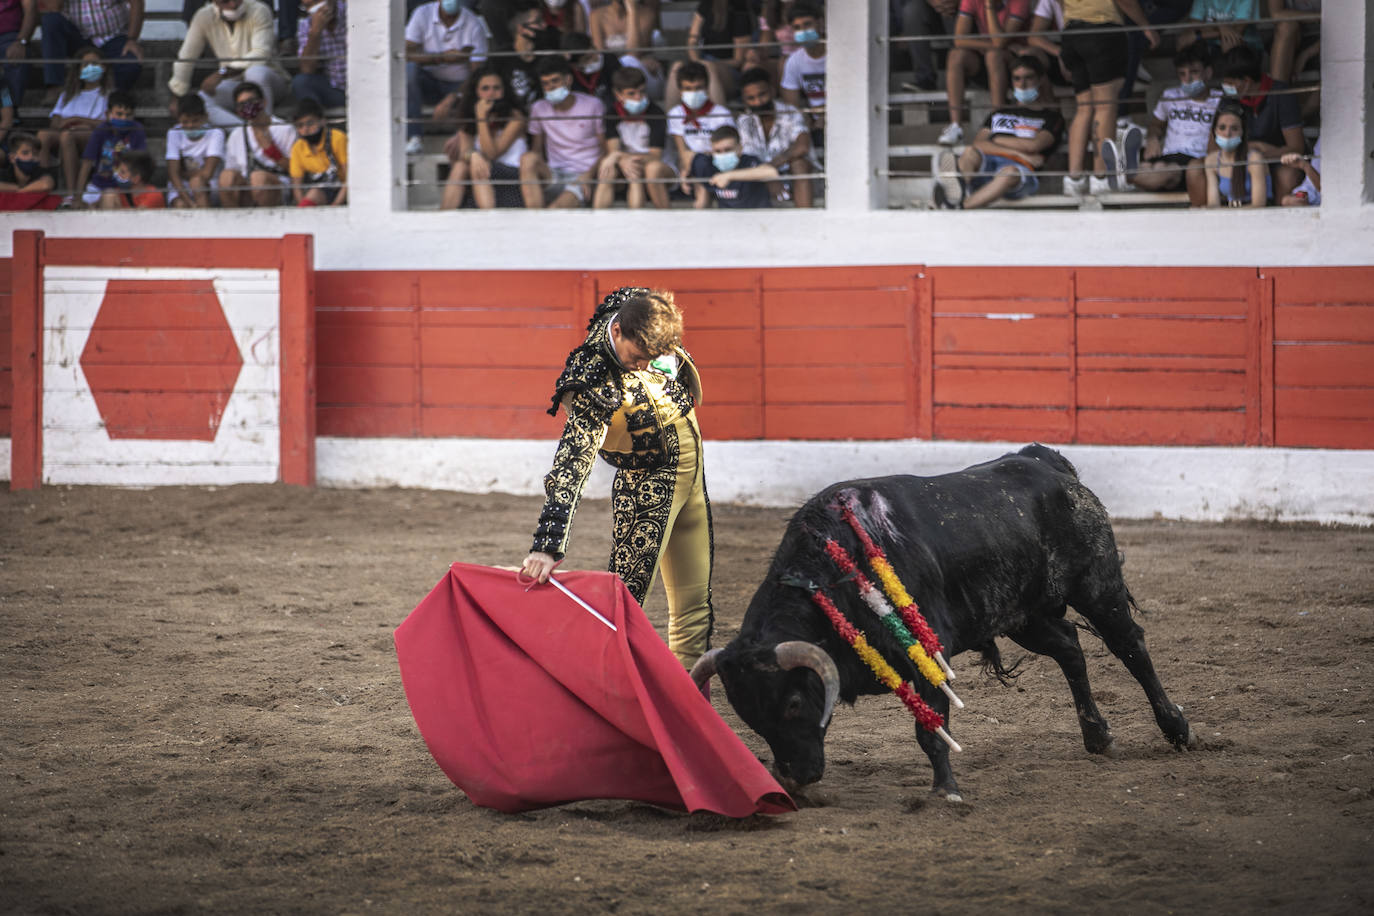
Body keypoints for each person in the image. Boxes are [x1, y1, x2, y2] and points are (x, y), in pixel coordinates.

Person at [521, 286, 716, 671]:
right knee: (621, 609)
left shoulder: (635, 307)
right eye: (637, 357)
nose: (644, 365)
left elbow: (642, 303)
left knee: (695, 609)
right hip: (647, 488)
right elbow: (571, 462)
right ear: (617, 334)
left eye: (653, 356)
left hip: (692, 476)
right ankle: (605, 701)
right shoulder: (592, 379)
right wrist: (547, 543)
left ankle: (691, 713)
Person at [932, 54, 1064, 208]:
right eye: (1017, 78)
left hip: (1020, 172)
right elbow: (979, 144)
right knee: (969, 153)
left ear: (1040, 80)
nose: (1023, 84)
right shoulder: (999, 114)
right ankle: (956, 190)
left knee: (1009, 172)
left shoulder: (1051, 118)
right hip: (991, 164)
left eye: (1029, 78)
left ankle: (960, 206)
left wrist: (996, 139)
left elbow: (1034, 146)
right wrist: (1020, 153)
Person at [1058, 0, 1158, 197]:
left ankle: (1073, 179)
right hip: (1102, 29)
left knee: (1084, 108)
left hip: (1072, 31)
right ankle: (1101, 177)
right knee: (1105, 107)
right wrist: (1147, 28)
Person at [169, 0, 288, 129]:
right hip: (234, 84)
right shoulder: (203, 16)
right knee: (202, 100)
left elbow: (260, 53)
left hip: (270, 83)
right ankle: (245, 132)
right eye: (225, 1)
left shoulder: (259, 10)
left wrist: (222, 73)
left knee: (256, 72)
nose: (233, 5)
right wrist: (178, 95)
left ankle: (266, 125)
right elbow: (187, 56)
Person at [1214, 44, 1304, 200]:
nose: (1225, 87)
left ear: (1247, 81)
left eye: (1230, 82)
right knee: (1197, 168)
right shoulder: (1228, 99)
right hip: (1237, 159)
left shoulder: (1281, 94)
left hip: (1276, 159)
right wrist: (1245, 151)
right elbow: (1213, 146)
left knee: (1287, 175)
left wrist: (1261, 152)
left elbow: (1296, 148)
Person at [937, 0, 1031, 147]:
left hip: (1015, 64)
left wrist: (989, 6)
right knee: (956, 55)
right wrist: (992, 45)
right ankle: (956, 126)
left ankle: (999, 123)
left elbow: (1000, 42)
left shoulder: (1019, 2)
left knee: (994, 55)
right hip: (989, 56)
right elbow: (959, 39)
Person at [1127, 43, 1219, 191]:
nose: (1187, 79)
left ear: (1208, 72)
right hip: (1168, 155)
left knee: (1165, 171)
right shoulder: (1170, 95)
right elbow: (1156, 125)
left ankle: (1125, 177)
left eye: (1194, 72)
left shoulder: (1220, 101)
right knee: (1152, 165)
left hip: (1195, 160)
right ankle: (1128, 176)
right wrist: (1152, 138)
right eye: (1182, 74)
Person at [404, 0, 489, 155]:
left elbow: (477, 73)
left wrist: (453, 96)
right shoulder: (422, 13)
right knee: (408, 70)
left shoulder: (473, 23)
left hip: (459, 86)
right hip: (429, 82)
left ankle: (468, 139)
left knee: (481, 86)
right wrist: (441, 58)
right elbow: (405, 53)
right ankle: (414, 136)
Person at [519, 55, 605, 208]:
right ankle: (533, 216)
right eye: (545, 83)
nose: (551, 87)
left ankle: (535, 224)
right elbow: (536, 151)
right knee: (527, 159)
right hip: (555, 174)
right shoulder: (539, 108)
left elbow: (605, 150)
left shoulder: (593, 105)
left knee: (555, 210)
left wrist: (589, 175)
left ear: (568, 80)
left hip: (584, 176)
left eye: (555, 81)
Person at [441, 63, 528, 209]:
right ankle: (442, 218)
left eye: (496, 88)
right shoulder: (469, 116)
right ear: (476, 92)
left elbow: (491, 153)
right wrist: (473, 155)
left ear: (504, 91)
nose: (491, 93)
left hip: (511, 180)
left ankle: (489, 221)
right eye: (485, 89)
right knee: (461, 166)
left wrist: (481, 118)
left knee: (482, 165)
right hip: (482, 183)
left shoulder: (515, 116)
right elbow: (464, 153)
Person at [36, 46, 110, 200]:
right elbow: (55, 122)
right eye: (85, 65)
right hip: (67, 132)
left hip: (93, 137)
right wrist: (66, 123)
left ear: (103, 67)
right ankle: (42, 184)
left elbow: (107, 124)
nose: (90, 68)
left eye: (95, 64)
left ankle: (71, 194)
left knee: (67, 136)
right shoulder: (67, 95)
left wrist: (78, 120)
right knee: (43, 135)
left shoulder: (108, 95)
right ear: (78, 69)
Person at [595, 64, 672, 209]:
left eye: (642, 92)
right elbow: (613, 150)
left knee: (642, 169)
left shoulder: (656, 113)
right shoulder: (612, 114)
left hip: (658, 167)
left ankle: (640, 219)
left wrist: (621, 158)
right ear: (618, 95)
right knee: (607, 167)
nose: (638, 97)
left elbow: (655, 156)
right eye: (631, 93)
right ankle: (599, 219)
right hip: (628, 164)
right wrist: (619, 158)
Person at [735, 66, 814, 207]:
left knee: (799, 164)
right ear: (744, 100)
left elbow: (802, 146)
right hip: (758, 175)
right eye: (751, 98)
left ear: (772, 91)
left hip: (788, 171)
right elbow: (747, 156)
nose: (758, 102)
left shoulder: (791, 113)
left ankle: (805, 217)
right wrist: (767, 176)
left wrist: (770, 168)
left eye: (762, 94)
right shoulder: (744, 120)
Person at [39, 0, 143, 99]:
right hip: (78, 38)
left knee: (130, 64)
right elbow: (53, 7)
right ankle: (55, 87)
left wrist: (132, 39)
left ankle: (110, 99)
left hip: (113, 37)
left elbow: (136, 2)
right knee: (51, 21)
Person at [219, 80, 295, 207]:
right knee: (227, 177)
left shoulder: (284, 128)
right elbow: (232, 170)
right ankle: (232, 222)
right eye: (242, 104)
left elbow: (295, 170)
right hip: (247, 187)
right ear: (238, 110)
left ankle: (263, 224)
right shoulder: (237, 134)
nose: (247, 107)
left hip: (277, 183)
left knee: (258, 178)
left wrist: (271, 150)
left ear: (263, 102)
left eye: (251, 101)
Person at [666, 0, 753, 110]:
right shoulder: (705, 5)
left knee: (709, 67)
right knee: (677, 67)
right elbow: (692, 40)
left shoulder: (740, 12)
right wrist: (696, 61)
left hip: (729, 72)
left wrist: (707, 64)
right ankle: (671, 120)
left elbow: (738, 60)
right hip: (701, 62)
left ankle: (722, 121)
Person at [666, 60, 733, 192]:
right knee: (692, 158)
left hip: (717, 163)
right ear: (680, 91)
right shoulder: (676, 114)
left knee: (701, 161)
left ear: (707, 89)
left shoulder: (721, 113)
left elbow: (726, 148)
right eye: (688, 89)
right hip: (690, 165)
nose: (693, 93)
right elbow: (682, 151)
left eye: (698, 88)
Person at [74, 89, 144, 208]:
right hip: (98, 185)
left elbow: (141, 162)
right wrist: (78, 196)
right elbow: (87, 162)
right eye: (119, 114)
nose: (123, 119)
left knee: (110, 197)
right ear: (108, 114)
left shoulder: (137, 130)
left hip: (126, 186)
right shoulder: (101, 130)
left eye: (128, 115)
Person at [779, 1, 826, 159]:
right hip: (815, 123)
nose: (803, 31)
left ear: (820, 23)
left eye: (807, 24)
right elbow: (792, 105)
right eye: (797, 28)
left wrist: (824, 116)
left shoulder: (838, 53)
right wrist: (807, 121)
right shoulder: (794, 61)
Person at [1200, 99, 1268, 207]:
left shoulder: (1254, 158)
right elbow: (1213, 204)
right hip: (1231, 216)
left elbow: (1258, 205)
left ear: (1242, 132)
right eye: (1222, 128)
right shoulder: (1211, 160)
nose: (1227, 133)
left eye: (1234, 128)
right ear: (1214, 131)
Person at [690, 124, 777, 209]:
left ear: (740, 148)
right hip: (726, 219)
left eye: (728, 150)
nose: (723, 154)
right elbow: (701, 202)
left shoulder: (750, 161)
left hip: (757, 218)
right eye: (717, 151)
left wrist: (728, 176)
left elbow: (771, 172)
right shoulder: (709, 165)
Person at [590, 0, 663, 100]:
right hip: (610, 72)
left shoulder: (647, 14)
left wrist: (632, 11)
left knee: (629, 60)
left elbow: (634, 52)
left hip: (639, 73)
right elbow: (601, 54)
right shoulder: (597, 15)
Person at [165, 92, 224, 208]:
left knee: (197, 182)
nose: (190, 126)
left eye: (195, 121)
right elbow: (173, 174)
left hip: (210, 185)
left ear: (205, 117)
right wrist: (189, 202)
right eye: (185, 122)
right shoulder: (173, 133)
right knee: (180, 205)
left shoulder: (216, 134)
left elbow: (207, 173)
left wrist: (183, 174)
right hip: (181, 188)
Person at [289, 98, 346, 206]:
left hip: (345, 191)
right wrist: (302, 207)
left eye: (310, 123)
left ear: (322, 121)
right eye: (300, 125)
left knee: (314, 194)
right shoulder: (297, 148)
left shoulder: (337, 138)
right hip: (318, 193)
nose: (305, 129)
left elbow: (350, 178)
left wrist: (335, 206)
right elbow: (296, 185)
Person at [291, 0, 347, 110]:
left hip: (364, 86)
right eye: (308, 6)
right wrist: (315, 32)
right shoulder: (306, 25)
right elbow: (307, 69)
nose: (314, 9)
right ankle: (314, 124)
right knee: (301, 82)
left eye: (316, 2)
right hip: (336, 90)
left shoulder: (350, 12)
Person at [0, 130, 61, 210]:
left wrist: (18, 191)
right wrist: (20, 189)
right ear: (12, 158)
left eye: (35, 154)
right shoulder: (4, 173)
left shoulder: (42, 172)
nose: (31, 157)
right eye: (25, 153)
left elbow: (46, 185)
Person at [1267, 0, 1320, 84]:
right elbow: (1276, 15)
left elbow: (1341, 25)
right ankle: (1278, 92)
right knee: (1286, 26)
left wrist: (1306, 54)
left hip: (1324, 40)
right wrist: (1317, 16)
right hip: (1292, 38)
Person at [1, 0, 36, 110]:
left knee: (15, 56)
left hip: (10, 37)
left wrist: (21, 42)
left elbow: (30, 9)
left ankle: (11, 111)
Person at [1279, 136, 1318, 207]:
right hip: (1307, 192)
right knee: (1287, 200)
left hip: (1324, 196)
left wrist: (1304, 165)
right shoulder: (1320, 143)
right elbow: (1308, 190)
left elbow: (1321, 188)